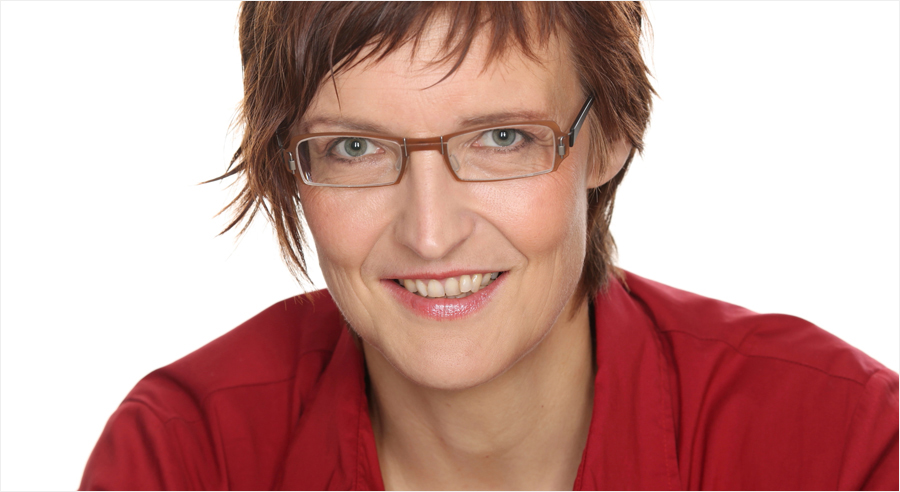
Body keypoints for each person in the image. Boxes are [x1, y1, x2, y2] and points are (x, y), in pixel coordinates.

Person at [80, 2, 898, 490]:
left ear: (612, 133)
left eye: (502, 137)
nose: (430, 233)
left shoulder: (842, 447)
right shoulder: (185, 459)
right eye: (354, 148)